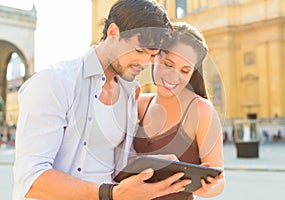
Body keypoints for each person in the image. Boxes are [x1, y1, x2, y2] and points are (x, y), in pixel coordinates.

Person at [13, 1, 192, 199]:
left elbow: (114, 161)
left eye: (151, 56)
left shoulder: (129, 91)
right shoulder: (54, 82)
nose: (143, 63)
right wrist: (111, 194)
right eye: (140, 51)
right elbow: (31, 178)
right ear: (113, 32)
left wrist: (160, 164)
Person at [133, 22, 225, 199]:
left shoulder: (201, 111)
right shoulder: (139, 104)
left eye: (185, 70)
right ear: (156, 57)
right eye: (168, 64)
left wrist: (205, 187)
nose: (174, 77)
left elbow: (220, 183)